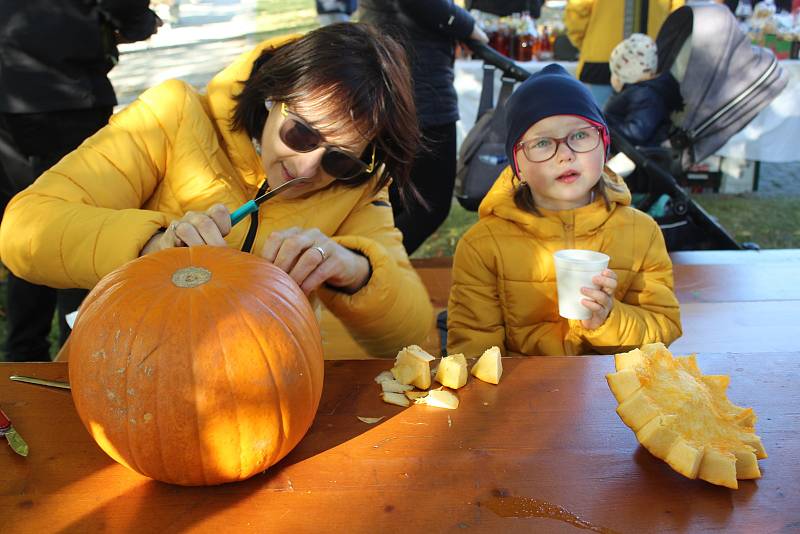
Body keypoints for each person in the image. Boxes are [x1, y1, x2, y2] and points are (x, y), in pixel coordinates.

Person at [0, 23, 434, 359]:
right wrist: (153, 246)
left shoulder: (355, 185)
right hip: (123, 367)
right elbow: (24, 228)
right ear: (270, 96)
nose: (306, 168)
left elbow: (415, 337)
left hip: (260, 388)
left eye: (338, 157)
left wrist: (354, 269)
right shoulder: (172, 116)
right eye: (300, 134)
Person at [447, 64, 682, 357]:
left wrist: (608, 319)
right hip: (524, 395)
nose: (565, 154)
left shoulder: (642, 233)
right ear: (518, 165)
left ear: (604, 145)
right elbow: (474, 351)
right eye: (543, 143)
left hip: (610, 393)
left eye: (581, 136)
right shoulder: (483, 245)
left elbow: (664, 325)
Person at [0, 0, 161, 362]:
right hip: (64, 87)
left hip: (12, 87)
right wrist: (138, 22)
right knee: (73, 222)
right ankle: (74, 359)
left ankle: (26, 356)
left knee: (28, 220)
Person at [359, 0, 489, 254]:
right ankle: (369, 270)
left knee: (394, 201)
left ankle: (368, 273)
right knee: (426, 203)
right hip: (416, 91)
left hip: (398, 80)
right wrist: (466, 26)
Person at [564, 0, 684, 107]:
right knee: (646, 123)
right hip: (650, 60)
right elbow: (677, 13)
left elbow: (578, 9)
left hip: (602, 62)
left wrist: (584, 42)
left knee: (598, 124)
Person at [604, 33, 683, 147]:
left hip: (636, 154)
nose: (613, 78)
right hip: (623, 148)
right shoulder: (639, 91)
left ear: (630, 74)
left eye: (617, 74)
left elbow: (637, 132)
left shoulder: (646, 95)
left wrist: (608, 130)